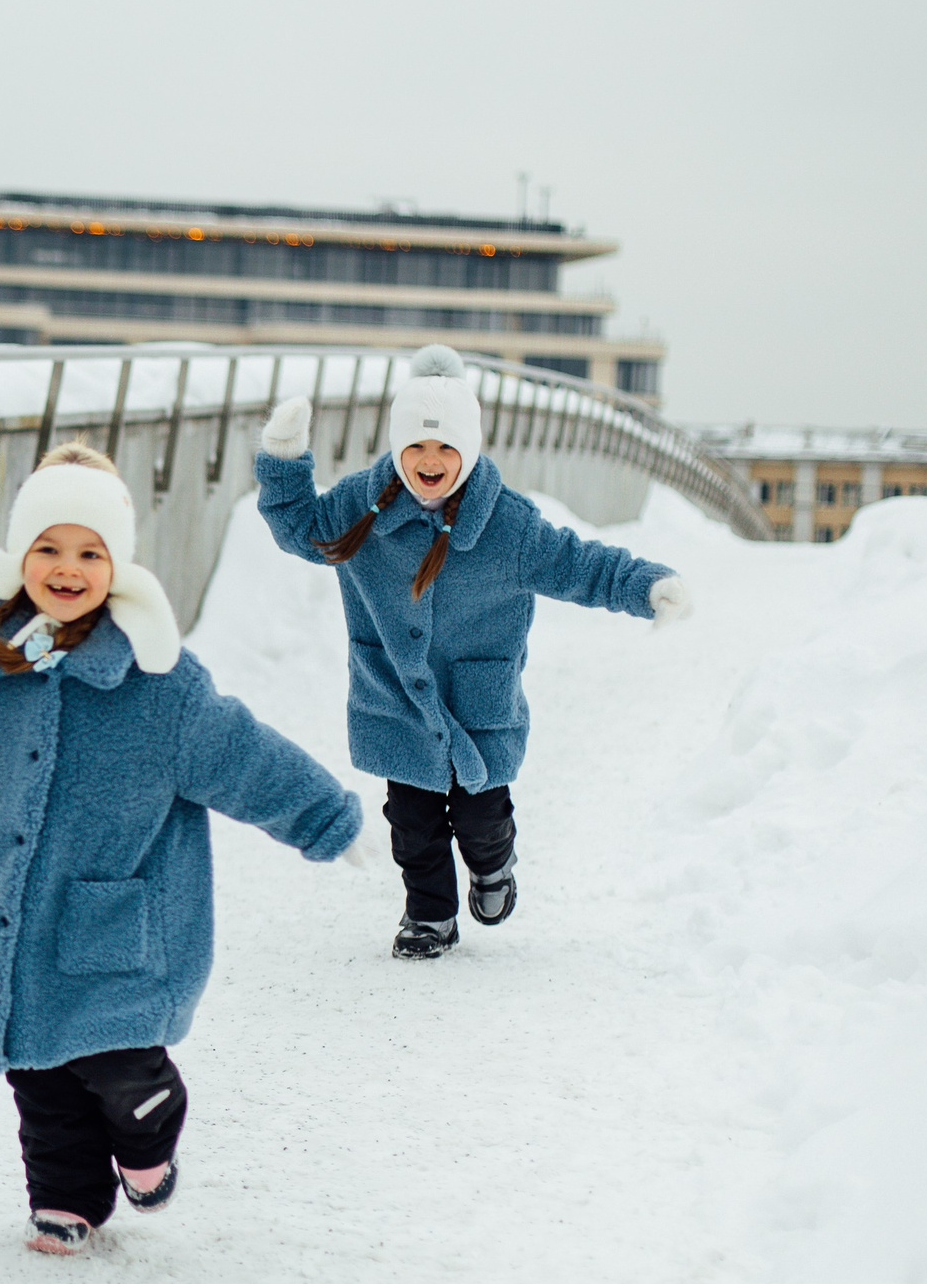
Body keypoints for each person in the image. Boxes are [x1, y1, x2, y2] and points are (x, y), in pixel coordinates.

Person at [0, 443, 369, 1254]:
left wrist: (324, 816)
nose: (68, 568)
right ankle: (66, 1202)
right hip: (16, 934)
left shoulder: (159, 684)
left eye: (90, 552)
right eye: (50, 549)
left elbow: (244, 757)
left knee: (122, 1070)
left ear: (117, 565)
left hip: (120, 943)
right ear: (22, 557)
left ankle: (149, 1137)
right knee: (42, 1079)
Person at [254, 345, 692, 960]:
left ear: (469, 448)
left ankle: (494, 866)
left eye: (444, 448)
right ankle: (429, 916)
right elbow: (300, 527)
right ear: (398, 447)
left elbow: (579, 564)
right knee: (412, 826)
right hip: (397, 704)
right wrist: (283, 459)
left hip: (477, 710)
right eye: (416, 447)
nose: (429, 461)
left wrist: (645, 586)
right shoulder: (365, 505)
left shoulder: (507, 526)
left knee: (480, 823)